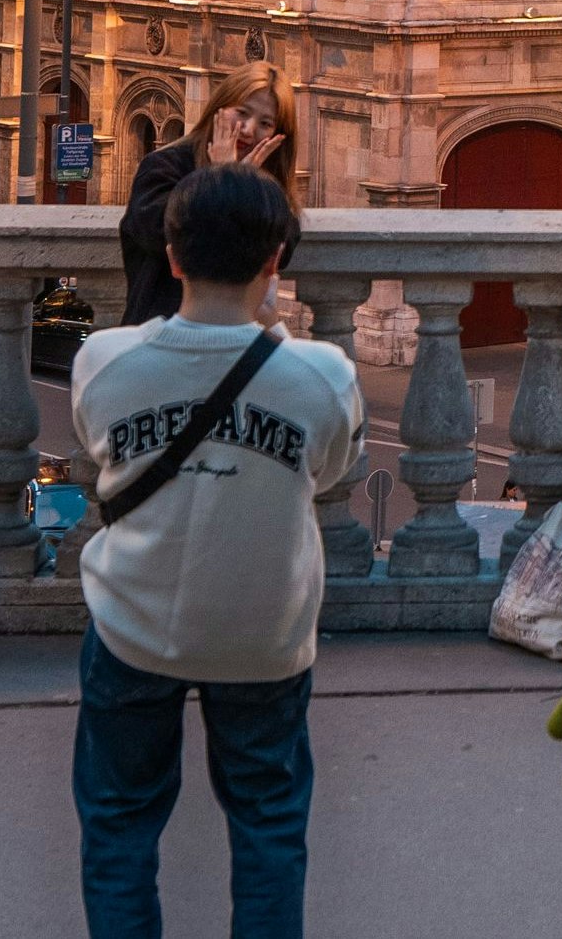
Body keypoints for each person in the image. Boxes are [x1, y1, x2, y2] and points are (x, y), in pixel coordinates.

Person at [66, 163, 366, 939]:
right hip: (264, 634)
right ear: (276, 261)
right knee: (267, 826)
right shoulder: (322, 375)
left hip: (133, 624)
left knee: (120, 825)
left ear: (170, 257)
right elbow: (328, 474)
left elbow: (99, 457)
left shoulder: (104, 360)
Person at [118, 68, 293, 329]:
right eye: (242, 113)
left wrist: (244, 183)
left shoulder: (268, 181)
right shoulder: (162, 167)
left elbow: (284, 244)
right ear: (219, 108)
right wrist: (223, 178)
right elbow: (171, 238)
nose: (248, 129)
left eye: (265, 124)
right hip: (160, 336)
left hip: (236, 342)